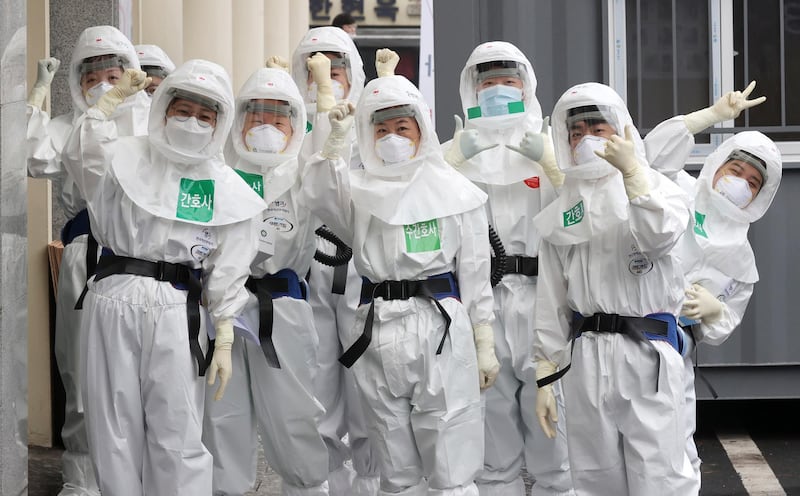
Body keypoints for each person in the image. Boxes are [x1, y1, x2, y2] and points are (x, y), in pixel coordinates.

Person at [62, 59, 265, 495]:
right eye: (184, 110)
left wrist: (225, 333)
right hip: (113, 293)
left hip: (179, 308)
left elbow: (230, 263)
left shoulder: (227, 188)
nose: (193, 122)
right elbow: (80, 159)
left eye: (206, 116)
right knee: (111, 426)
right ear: (164, 108)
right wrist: (105, 108)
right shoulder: (125, 155)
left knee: (179, 427)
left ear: (220, 123)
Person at [301, 72, 500, 495]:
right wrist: (335, 142)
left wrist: (484, 342)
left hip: (440, 328)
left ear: (421, 130)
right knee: (394, 463)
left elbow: (477, 273)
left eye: (401, 128)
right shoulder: (359, 193)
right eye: (382, 129)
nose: (392, 138)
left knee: (451, 457)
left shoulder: (456, 192)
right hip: (377, 328)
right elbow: (318, 196)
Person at [531, 82, 698, 495]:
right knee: (593, 477)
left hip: (646, 351)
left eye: (598, 128)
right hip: (586, 355)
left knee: (660, 477)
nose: (586, 138)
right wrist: (545, 372)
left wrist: (634, 176)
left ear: (622, 130)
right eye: (576, 131)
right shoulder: (562, 212)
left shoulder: (659, 188)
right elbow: (551, 298)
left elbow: (658, 237)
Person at [442, 41, 574, 496]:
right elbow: (418, 208)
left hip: (543, 301)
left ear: (527, 86)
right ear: (471, 90)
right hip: (482, 305)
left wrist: (552, 163)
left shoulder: (550, 146)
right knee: (490, 440)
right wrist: (451, 162)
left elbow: (581, 215)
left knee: (555, 441)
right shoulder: (457, 150)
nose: (498, 91)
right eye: (488, 83)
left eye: (508, 82)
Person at [27, 25, 151, 496]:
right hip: (87, 256)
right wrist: (38, 95)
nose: (103, 81)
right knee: (81, 369)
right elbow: (32, 157)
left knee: (147, 374)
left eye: (112, 70)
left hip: (148, 259)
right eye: (91, 74)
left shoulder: (152, 123)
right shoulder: (69, 126)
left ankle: (142, 474)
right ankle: (82, 479)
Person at [202, 67, 332, 496]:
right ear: (239, 121)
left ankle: (307, 488)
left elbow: (338, 187)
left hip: (284, 306)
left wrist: (329, 102)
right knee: (223, 414)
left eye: (278, 120)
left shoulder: (305, 173)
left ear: (296, 126)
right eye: (257, 117)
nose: (266, 128)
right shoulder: (219, 170)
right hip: (223, 305)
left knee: (294, 415)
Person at [643, 82, 777, 493]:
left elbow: (727, 320)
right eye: (735, 170)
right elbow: (651, 157)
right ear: (717, 164)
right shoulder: (678, 189)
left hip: (673, 356)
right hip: (620, 336)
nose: (740, 183)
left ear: (759, 196)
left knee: (677, 460)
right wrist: (710, 117)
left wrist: (716, 312)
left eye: (752, 182)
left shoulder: (741, 257)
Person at [292, 27, 379, 495]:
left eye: (334, 68)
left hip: (364, 271)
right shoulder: (287, 125)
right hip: (308, 268)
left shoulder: (376, 120)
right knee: (315, 392)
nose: (324, 76)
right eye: (313, 68)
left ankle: (370, 486)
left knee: (370, 392)